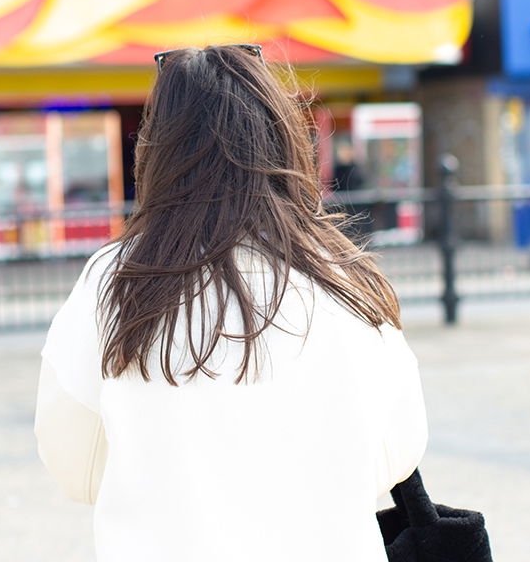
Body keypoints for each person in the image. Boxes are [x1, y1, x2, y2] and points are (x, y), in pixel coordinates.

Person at [35, 44, 428, 562]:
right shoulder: (342, 274)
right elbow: (395, 454)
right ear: (283, 140)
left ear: (157, 150)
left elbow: (74, 465)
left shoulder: (114, 279)